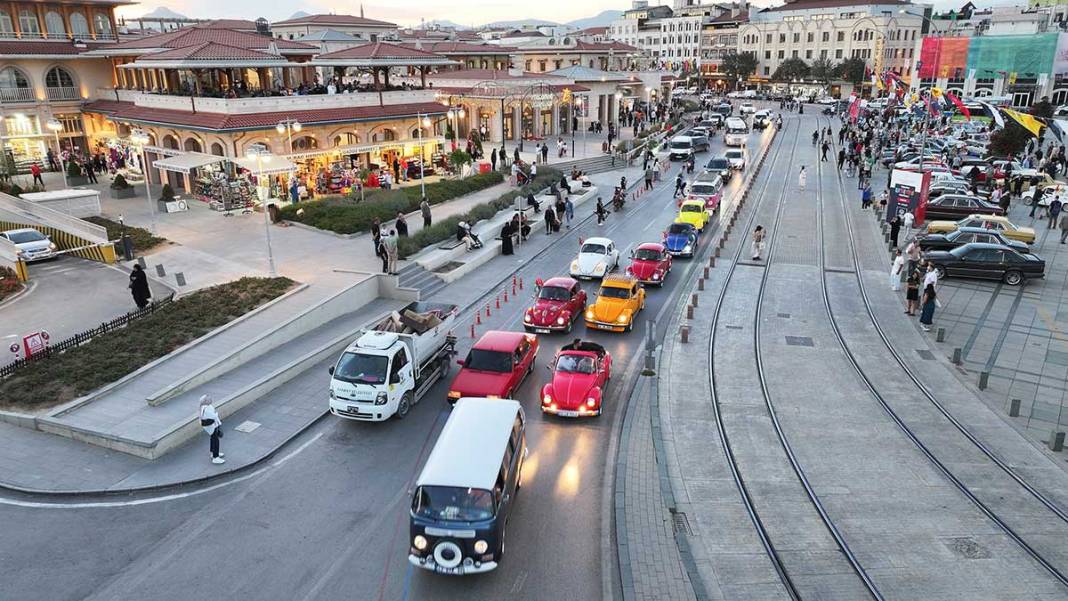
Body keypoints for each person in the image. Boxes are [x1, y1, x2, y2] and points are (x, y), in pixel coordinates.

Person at [199, 395, 224, 464]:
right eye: (209, 399)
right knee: (215, 440)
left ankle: (213, 453)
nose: (211, 399)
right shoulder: (206, 408)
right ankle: (215, 457)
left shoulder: (205, 407)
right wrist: (216, 414)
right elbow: (214, 416)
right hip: (210, 426)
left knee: (213, 439)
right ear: (205, 401)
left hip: (211, 425)